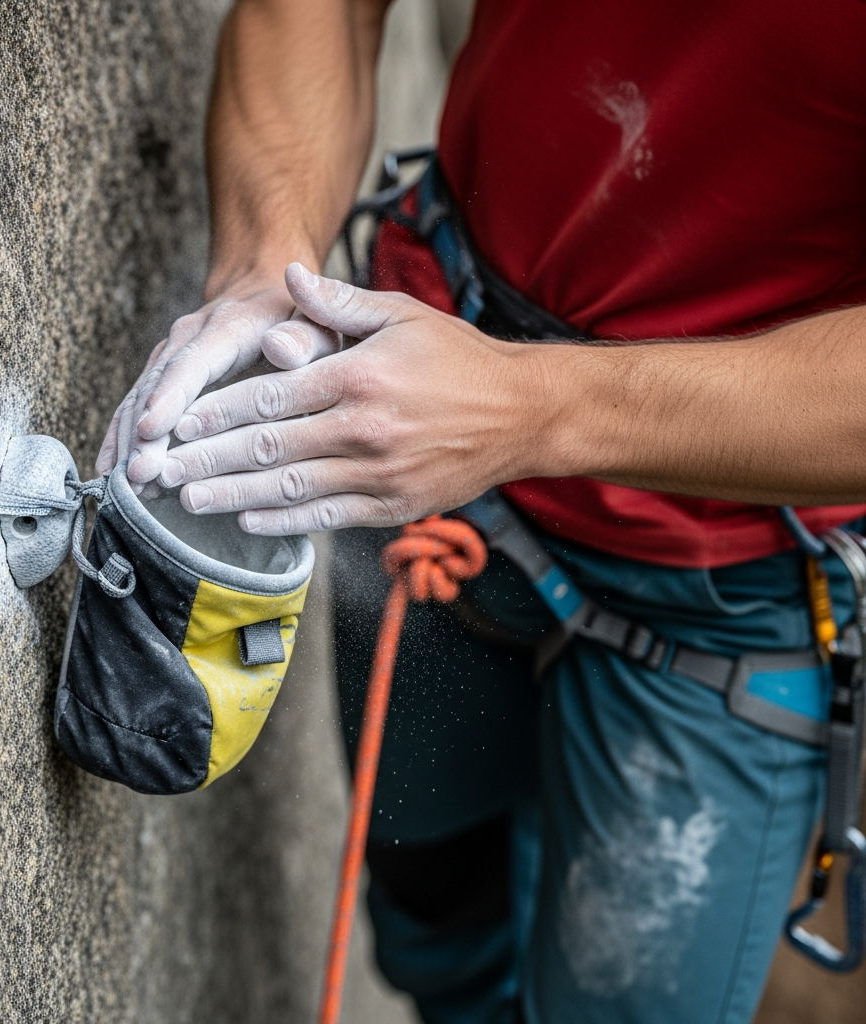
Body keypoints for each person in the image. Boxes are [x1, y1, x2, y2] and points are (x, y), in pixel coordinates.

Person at [96, 1, 866, 1020]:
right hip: (421, 393)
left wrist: (524, 407)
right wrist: (262, 276)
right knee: (433, 931)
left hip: (721, 572)